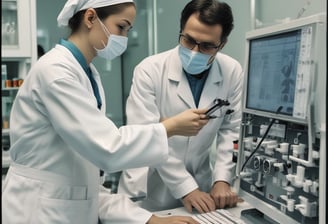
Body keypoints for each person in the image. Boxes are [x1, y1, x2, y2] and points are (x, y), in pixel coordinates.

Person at [1, 0, 209, 223]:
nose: (124, 38)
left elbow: (89, 182)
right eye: (121, 27)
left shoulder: (86, 73)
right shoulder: (56, 72)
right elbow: (109, 148)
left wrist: (150, 220)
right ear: (90, 18)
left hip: (64, 206)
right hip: (36, 211)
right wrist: (170, 127)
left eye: (128, 30)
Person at [118, 0, 243, 214]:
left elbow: (231, 130)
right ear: (181, 31)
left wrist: (222, 179)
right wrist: (186, 188)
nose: (195, 51)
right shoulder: (149, 70)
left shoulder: (231, 71)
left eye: (206, 46)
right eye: (189, 40)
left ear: (221, 44)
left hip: (201, 189)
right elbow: (146, 135)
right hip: (148, 190)